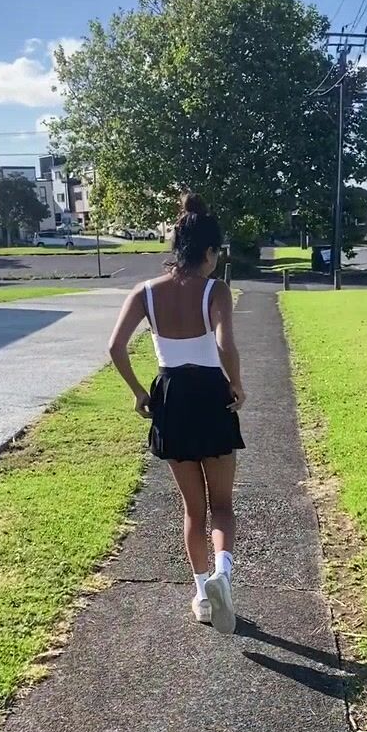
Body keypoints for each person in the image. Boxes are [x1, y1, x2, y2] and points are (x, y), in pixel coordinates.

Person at [108, 193, 245, 635]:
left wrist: (138, 393)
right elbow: (224, 344)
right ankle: (223, 574)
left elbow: (115, 347)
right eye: (217, 253)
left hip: (170, 397)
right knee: (222, 506)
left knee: (193, 509)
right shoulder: (215, 289)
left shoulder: (145, 292)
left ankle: (203, 595)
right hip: (211, 395)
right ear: (209, 252)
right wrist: (237, 384)